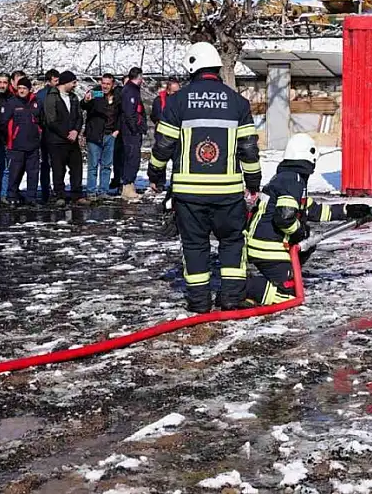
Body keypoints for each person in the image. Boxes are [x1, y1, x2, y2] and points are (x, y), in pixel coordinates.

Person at [147, 42, 261, 313]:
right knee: (232, 244)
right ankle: (231, 300)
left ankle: (199, 304)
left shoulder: (176, 102)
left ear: (191, 67)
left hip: (189, 195)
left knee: (195, 246)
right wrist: (253, 184)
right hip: (228, 194)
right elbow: (248, 149)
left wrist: (155, 175)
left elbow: (163, 145)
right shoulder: (238, 103)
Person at [242, 134, 372, 307]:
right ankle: (242, 288)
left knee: (307, 242)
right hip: (268, 248)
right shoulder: (292, 180)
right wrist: (301, 233)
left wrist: (347, 211)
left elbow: (313, 210)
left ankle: (273, 279)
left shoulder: (288, 177)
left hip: (262, 244)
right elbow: (284, 219)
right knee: (289, 296)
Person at [44, 71, 88, 206]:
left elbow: (79, 116)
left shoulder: (73, 98)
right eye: (73, 82)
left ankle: (77, 194)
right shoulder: (51, 97)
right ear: (66, 82)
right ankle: (60, 195)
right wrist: (66, 134)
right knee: (58, 168)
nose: (75, 85)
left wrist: (75, 131)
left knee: (76, 167)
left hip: (72, 139)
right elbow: (51, 120)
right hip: (57, 140)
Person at [0, 76, 43, 205]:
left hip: (33, 144)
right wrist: (9, 137)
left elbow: (42, 120)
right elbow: (3, 122)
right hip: (16, 144)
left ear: (29, 89)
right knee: (15, 172)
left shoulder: (36, 102)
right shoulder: (12, 103)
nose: (21, 91)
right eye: (19, 88)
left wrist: (39, 132)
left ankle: (32, 197)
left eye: (24, 88)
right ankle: (11, 196)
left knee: (33, 172)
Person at [81, 73, 121, 198]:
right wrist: (86, 100)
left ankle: (103, 191)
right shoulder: (96, 93)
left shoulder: (117, 96)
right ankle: (91, 191)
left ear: (112, 84)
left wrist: (117, 131)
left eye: (108, 84)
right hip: (94, 135)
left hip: (110, 135)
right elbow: (84, 105)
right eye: (103, 83)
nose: (105, 86)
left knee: (107, 165)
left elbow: (120, 114)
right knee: (93, 165)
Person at [115, 67, 146, 202]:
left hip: (132, 129)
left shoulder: (132, 90)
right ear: (138, 77)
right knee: (132, 157)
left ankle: (130, 185)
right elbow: (130, 113)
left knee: (133, 157)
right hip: (130, 131)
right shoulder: (130, 91)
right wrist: (135, 128)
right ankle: (127, 186)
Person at [37, 69, 60, 203]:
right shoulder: (44, 95)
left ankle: (48, 189)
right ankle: (49, 189)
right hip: (48, 132)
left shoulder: (41, 94)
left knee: (48, 162)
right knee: (49, 162)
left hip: (48, 131)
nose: (58, 83)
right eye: (55, 81)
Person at [0, 72, 15, 201]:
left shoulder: (12, 99)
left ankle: (3, 194)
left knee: (6, 169)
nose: (2, 85)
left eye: (5, 82)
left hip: (8, 138)